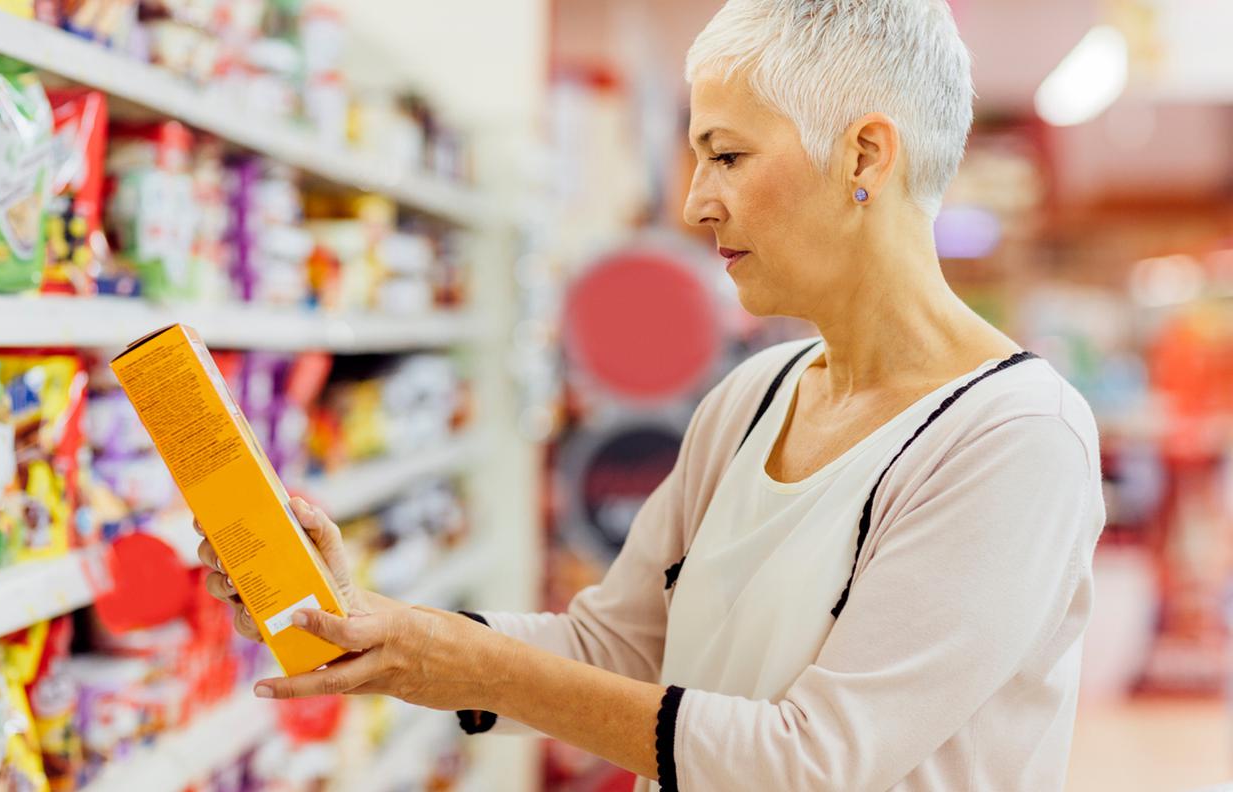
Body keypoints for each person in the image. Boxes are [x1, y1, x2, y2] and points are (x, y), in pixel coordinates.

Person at [195, 1, 1105, 789]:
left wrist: (476, 670)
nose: (696, 204)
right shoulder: (753, 398)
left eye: (729, 155)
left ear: (866, 154)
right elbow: (616, 649)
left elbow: (815, 765)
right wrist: (377, 626)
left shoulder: (1013, 441)